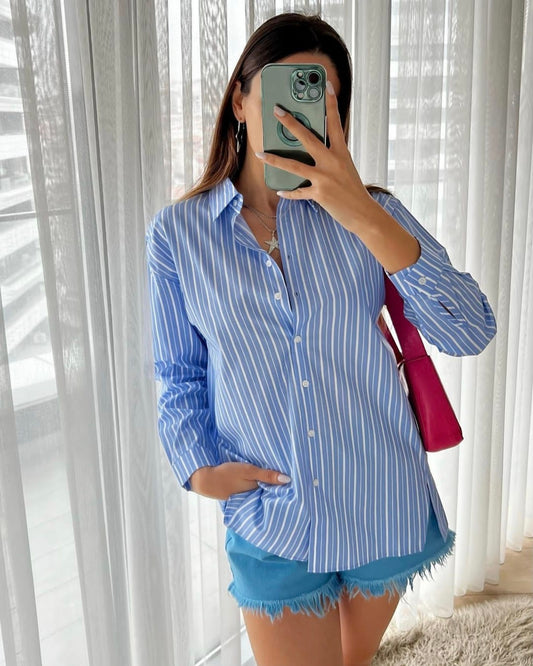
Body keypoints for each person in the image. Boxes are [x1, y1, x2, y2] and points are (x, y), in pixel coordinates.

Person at [145, 12, 497, 666]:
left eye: (319, 98)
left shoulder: (373, 215)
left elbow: (470, 329)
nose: (297, 114)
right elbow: (179, 373)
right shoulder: (178, 235)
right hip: (270, 512)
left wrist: (359, 208)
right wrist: (199, 467)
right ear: (240, 100)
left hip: (380, 496)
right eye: (282, 91)